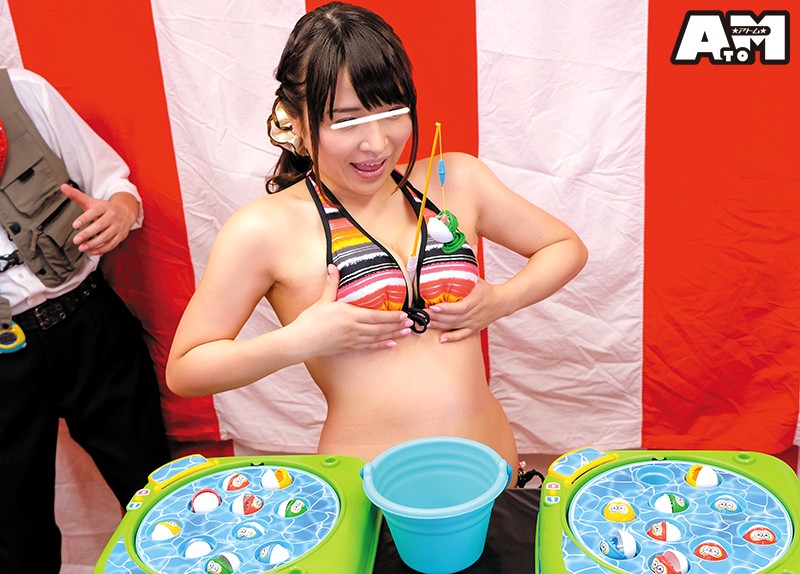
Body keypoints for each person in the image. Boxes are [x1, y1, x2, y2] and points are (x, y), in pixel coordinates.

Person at [167, 2, 587, 478]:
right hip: (371, 488)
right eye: (346, 121)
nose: (377, 143)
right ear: (295, 121)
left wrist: (501, 300)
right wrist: (298, 341)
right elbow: (186, 369)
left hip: (492, 471)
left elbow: (564, 247)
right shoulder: (263, 229)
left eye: (392, 112)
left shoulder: (457, 179)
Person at [0, 67, 170, 571]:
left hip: (87, 322)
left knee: (156, 496)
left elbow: (114, 183)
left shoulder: (22, 93)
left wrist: (119, 211)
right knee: (14, 536)